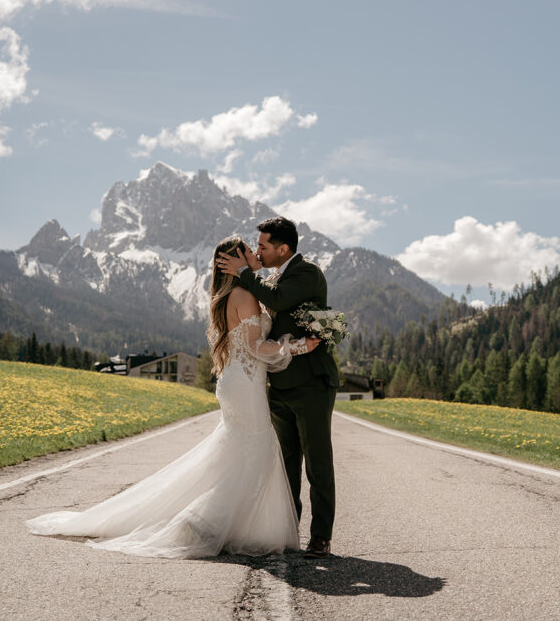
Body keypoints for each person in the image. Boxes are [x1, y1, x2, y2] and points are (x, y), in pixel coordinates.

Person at [25, 236, 318, 558]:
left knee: (240, 454)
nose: (253, 253)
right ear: (234, 261)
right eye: (248, 250)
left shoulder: (228, 294)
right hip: (245, 383)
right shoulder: (244, 294)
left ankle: (212, 522)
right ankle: (198, 523)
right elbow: (254, 347)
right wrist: (299, 345)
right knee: (255, 450)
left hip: (238, 381)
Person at [216, 216, 340, 559]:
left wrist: (244, 273)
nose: (258, 251)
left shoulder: (306, 273)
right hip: (277, 386)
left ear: (283, 249)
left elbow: (281, 299)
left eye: (263, 246)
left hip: (312, 383)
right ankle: (288, 530)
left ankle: (321, 537)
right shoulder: (268, 278)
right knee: (286, 466)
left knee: (317, 462)